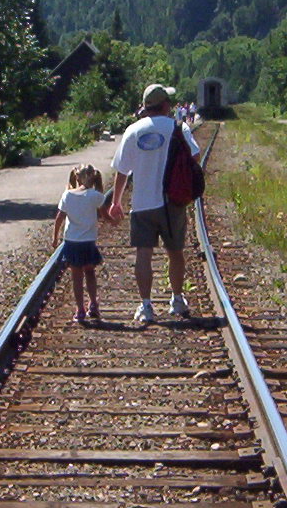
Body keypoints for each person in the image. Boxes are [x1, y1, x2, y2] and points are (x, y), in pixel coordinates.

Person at [108, 84, 200, 326]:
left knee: (143, 254)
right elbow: (195, 156)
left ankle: (146, 306)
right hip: (172, 202)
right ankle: (177, 300)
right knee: (175, 252)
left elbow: (122, 171)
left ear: (145, 106)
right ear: (166, 105)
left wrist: (116, 201)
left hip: (142, 203)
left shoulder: (133, 131)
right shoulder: (179, 128)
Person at [52, 163, 108, 323]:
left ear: (76, 177)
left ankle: (80, 309)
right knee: (90, 273)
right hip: (88, 242)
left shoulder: (67, 195)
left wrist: (55, 238)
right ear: (94, 177)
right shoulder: (96, 196)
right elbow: (105, 216)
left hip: (72, 242)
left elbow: (59, 218)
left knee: (76, 277)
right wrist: (115, 220)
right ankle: (93, 304)